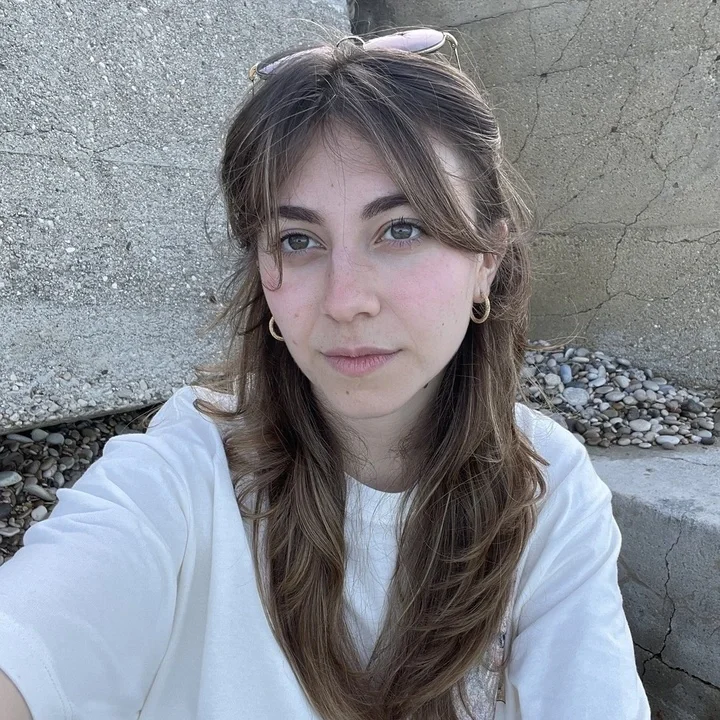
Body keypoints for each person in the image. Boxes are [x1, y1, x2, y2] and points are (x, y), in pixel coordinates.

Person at [0, 27, 651, 720]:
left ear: (486, 258)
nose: (345, 301)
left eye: (401, 229)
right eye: (298, 240)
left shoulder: (547, 484)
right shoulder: (186, 470)